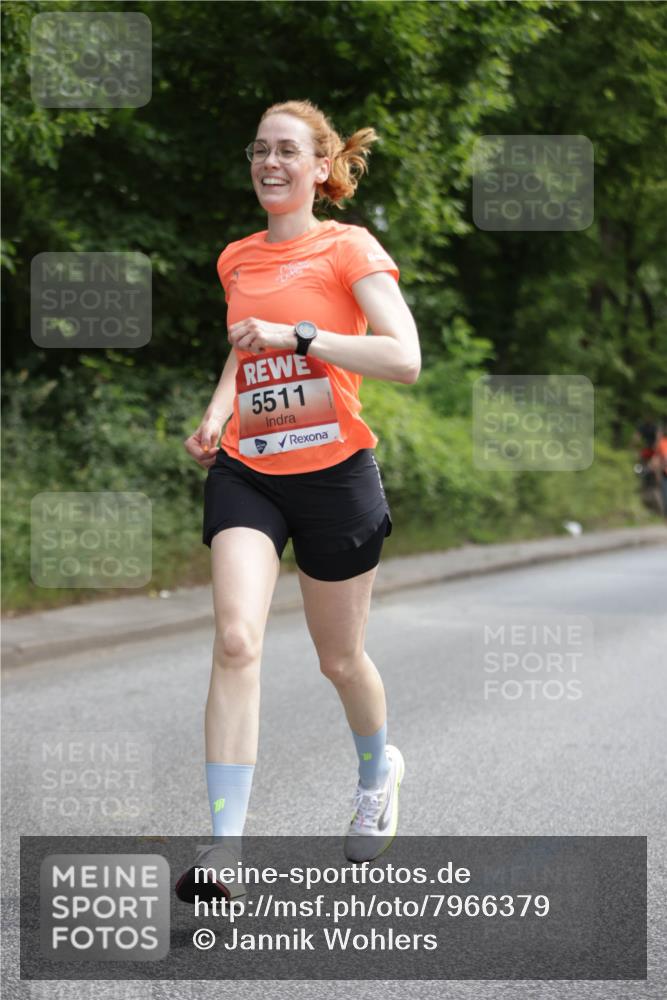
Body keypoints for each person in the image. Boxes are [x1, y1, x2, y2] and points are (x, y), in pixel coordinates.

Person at [176, 99, 421, 903]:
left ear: (321, 168)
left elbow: (402, 358)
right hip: (248, 470)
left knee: (338, 659)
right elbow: (243, 349)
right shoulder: (236, 259)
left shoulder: (349, 248)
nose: (268, 163)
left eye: (287, 151)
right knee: (237, 640)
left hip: (335, 475)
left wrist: (304, 339)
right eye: (258, 150)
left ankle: (376, 768)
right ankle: (223, 850)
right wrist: (218, 412)